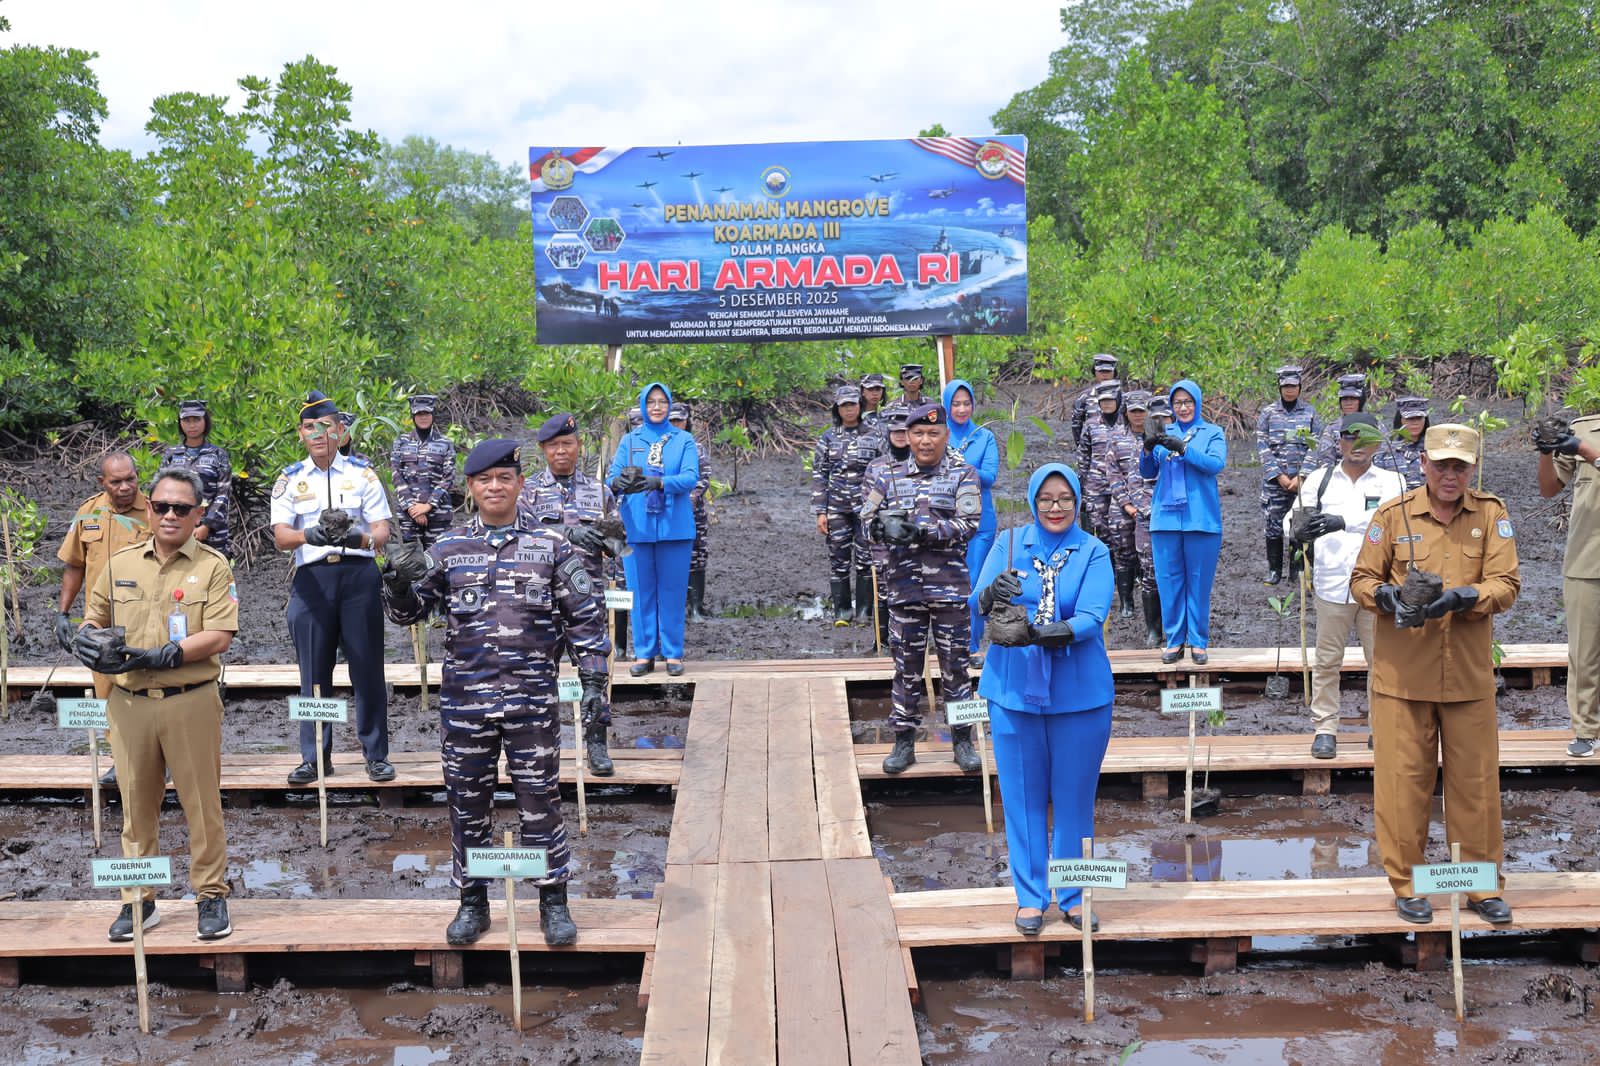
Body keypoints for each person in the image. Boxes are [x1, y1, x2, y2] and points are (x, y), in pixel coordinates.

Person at [381, 439, 609, 947]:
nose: (495, 487)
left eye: (504, 478)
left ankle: (553, 901)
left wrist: (594, 681)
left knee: (540, 801)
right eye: (484, 480)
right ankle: (472, 901)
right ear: (470, 489)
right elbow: (408, 614)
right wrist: (395, 583)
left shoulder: (553, 547)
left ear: (520, 484)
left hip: (532, 703)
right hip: (466, 706)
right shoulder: (448, 550)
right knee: (467, 803)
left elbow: (585, 622)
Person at [1350, 423, 1520, 926]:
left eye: (1459, 466)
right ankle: (1408, 884)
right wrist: (1387, 597)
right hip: (1402, 679)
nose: (1450, 475)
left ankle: (1480, 886)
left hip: (1467, 679)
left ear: (1472, 468)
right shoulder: (1393, 514)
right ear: (1423, 463)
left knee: (1476, 785)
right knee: (1403, 785)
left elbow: (1506, 584)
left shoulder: (1491, 515)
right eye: (1441, 465)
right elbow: (1363, 578)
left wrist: (1464, 597)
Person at [73, 467, 236, 942]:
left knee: (201, 804)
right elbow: (95, 615)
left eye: (180, 509)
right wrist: (84, 639)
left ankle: (210, 894)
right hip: (129, 702)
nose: (169, 515)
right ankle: (139, 900)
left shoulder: (212, 566)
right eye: (161, 506)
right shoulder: (120, 564)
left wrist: (170, 653)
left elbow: (221, 634)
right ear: (149, 508)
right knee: (136, 806)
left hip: (190, 700)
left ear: (197, 514)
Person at [970, 463, 1113, 934]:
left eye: (1065, 498)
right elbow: (977, 602)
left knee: (1074, 799)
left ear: (1077, 502)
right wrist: (993, 591)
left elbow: (1093, 614)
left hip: (1079, 693)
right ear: (1033, 501)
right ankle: (1030, 897)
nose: (1056, 507)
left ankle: (1072, 895)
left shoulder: (1093, 551)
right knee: (1023, 797)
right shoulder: (1009, 542)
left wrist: (1058, 632)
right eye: (1047, 499)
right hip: (1013, 691)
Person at [271, 391, 395, 785]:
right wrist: (311, 533)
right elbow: (281, 537)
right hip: (313, 581)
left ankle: (376, 755)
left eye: (327, 427)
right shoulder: (290, 478)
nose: (319, 434)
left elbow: (382, 532)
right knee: (314, 672)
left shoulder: (363, 474)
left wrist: (355, 538)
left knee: (367, 668)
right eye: (310, 428)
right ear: (301, 434)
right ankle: (314, 757)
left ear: (341, 432)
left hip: (358, 578)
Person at [862, 403, 982, 774]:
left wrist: (923, 532)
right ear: (908, 437)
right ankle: (903, 741)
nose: (925, 440)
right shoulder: (888, 476)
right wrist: (884, 531)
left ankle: (963, 740)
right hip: (903, 587)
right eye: (918, 434)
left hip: (949, 588)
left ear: (946, 435)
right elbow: (866, 522)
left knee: (957, 667)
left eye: (933, 433)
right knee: (906, 667)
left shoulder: (964, 474)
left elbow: (969, 523)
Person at [1286, 413, 1406, 758]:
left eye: (1364, 437)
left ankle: (1381, 726)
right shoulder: (1319, 481)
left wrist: (1344, 522)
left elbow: (1394, 525)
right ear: (1338, 441)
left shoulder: (1392, 481)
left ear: (1377, 443)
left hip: (1378, 587)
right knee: (1326, 661)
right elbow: (1294, 517)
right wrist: (1295, 531)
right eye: (1348, 437)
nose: (1356, 445)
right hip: (1330, 584)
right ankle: (1325, 728)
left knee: (1382, 662)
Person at [520, 412, 621, 775]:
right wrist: (567, 533)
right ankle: (536, 746)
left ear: (579, 446)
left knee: (594, 672)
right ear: (544, 450)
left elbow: (618, 538)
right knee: (536, 674)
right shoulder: (528, 491)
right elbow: (523, 538)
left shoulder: (600, 491)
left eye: (567, 444)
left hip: (587, 596)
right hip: (542, 598)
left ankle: (597, 744)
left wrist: (608, 540)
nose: (561, 451)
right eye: (553, 446)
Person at [56, 451, 154, 787]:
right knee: (106, 692)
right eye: (117, 481)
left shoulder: (156, 510)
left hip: (145, 618)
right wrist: (63, 614)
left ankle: (159, 758)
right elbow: (74, 565)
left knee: (148, 688)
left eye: (131, 479)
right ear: (103, 482)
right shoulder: (88, 512)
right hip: (100, 622)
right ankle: (120, 760)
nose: (126, 487)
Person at [607, 383, 699, 677]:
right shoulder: (630, 441)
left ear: (669, 406)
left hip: (675, 528)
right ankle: (644, 653)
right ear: (643, 407)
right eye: (651, 402)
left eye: (662, 402)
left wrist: (660, 483)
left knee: (671, 592)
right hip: (638, 527)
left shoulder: (683, 439)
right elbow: (612, 477)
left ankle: (673, 653)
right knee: (641, 591)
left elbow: (690, 477)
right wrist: (620, 482)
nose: (657, 407)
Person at [1139, 380, 1227, 665]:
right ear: (1172, 407)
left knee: (1199, 584)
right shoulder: (1167, 430)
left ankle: (1198, 641)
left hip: (1201, 520)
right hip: (1165, 520)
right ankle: (1175, 639)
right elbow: (1147, 470)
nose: (1184, 407)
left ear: (1198, 403)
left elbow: (1215, 465)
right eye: (1178, 403)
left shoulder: (1212, 432)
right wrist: (1147, 447)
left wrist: (1185, 450)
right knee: (1168, 582)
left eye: (1188, 402)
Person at [1533, 411, 1600, 757]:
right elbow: (1548, 489)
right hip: (1586, 558)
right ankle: (1587, 731)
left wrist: (1587, 452)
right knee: (1584, 652)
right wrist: (1546, 450)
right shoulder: (1583, 428)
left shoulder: (1584, 440)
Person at [812, 384, 883, 625]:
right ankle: (842, 612)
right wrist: (821, 511)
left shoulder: (874, 435)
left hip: (867, 509)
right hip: (837, 508)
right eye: (844, 405)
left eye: (853, 404)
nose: (849, 409)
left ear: (860, 406)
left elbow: (883, 471)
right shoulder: (828, 438)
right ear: (837, 409)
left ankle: (864, 611)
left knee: (866, 559)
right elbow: (820, 475)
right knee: (839, 558)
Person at [944, 379, 998, 654]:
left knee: (975, 582)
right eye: (956, 403)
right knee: (947, 582)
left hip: (981, 523)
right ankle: (949, 646)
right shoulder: (938, 434)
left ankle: (971, 646)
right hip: (945, 521)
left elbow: (989, 477)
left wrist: (960, 467)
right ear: (946, 405)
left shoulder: (983, 436)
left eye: (967, 403)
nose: (962, 409)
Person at [1255, 366, 1320, 586]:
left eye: (1293, 386)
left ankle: (1298, 570)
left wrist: (1302, 476)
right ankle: (1274, 570)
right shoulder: (1268, 413)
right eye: (1285, 386)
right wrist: (1279, 476)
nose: (1289, 390)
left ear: (1299, 387)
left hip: (1302, 483)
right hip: (1276, 482)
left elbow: (1316, 446)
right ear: (1280, 388)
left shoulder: (1310, 413)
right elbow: (1262, 447)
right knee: (1273, 525)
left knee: (1299, 525)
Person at [1109, 390, 1162, 645]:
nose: (1139, 415)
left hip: (1158, 512)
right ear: (1127, 413)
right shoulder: (1117, 438)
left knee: (1152, 564)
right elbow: (1115, 474)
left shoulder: (1160, 436)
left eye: (1143, 411)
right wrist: (1127, 504)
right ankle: (1127, 600)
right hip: (1127, 506)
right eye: (1134, 411)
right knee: (1125, 553)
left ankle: (1160, 625)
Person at [160, 400, 234, 558]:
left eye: (196, 420)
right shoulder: (171, 454)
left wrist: (206, 525)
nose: (191, 425)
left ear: (205, 421)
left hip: (212, 532)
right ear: (180, 423)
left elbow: (223, 494)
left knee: (215, 575)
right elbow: (161, 492)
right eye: (187, 420)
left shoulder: (218, 454)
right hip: (177, 526)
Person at [1078, 378, 1130, 599]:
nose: (1106, 404)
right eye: (1102, 401)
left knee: (1121, 531)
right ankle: (1104, 574)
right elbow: (1083, 455)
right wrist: (1082, 485)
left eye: (1110, 400)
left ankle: (1126, 576)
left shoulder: (1126, 424)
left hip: (1121, 486)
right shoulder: (1091, 424)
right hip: (1096, 485)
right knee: (1099, 530)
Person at [390, 394, 456, 547]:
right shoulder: (401, 442)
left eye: (426, 413)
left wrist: (428, 506)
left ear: (433, 414)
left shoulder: (445, 443)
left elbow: (449, 477)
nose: (423, 417)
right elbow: (396, 475)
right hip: (408, 514)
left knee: (439, 560)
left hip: (438, 513)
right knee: (409, 562)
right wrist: (413, 507)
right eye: (419, 414)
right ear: (413, 415)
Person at [668, 403, 713, 623]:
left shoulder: (696, 448)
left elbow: (703, 476)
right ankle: (678, 605)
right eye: (672, 420)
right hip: (667, 510)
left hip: (693, 511)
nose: (676, 424)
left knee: (697, 555)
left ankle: (697, 607)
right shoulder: (660, 447)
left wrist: (692, 498)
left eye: (680, 420)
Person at [1312, 373, 1367, 468]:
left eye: (1353, 399)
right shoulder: (1332, 429)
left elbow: (1382, 456)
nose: (1348, 403)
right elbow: (1325, 462)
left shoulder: (1375, 426)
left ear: (1361, 401)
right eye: (1344, 399)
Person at [1377, 396, 1430, 489]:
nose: (1415, 423)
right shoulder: (1387, 452)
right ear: (1400, 420)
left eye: (1419, 418)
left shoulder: (1435, 451)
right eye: (1410, 419)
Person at [1069, 353, 1119, 447]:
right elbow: (1076, 424)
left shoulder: (1122, 397)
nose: (1104, 375)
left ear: (1114, 372)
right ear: (1094, 372)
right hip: (1093, 446)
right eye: (1101, 371)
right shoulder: (1084, 397)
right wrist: (1082, 447)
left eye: (1108, 371)